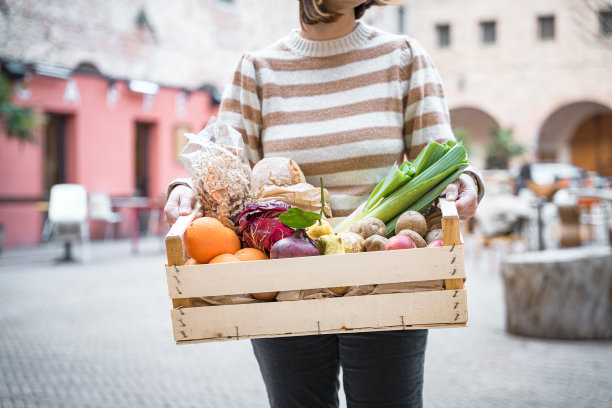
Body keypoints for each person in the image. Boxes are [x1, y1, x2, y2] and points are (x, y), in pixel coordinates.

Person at [165, 1, 484, 406]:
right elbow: (222, 164)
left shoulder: (403, 58)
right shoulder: (258, 70)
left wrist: (467, 182)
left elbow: (442, 159)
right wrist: (184, 187)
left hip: (385, 279)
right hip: (283, 282)